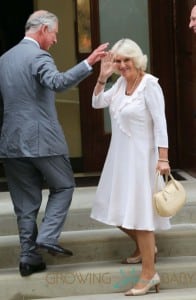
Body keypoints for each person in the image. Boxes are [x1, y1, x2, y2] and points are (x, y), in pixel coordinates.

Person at [0, 10, 108, 277]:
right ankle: (47, 236)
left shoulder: (4, 59)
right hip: (43, 141)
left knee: (25, 203)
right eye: (55, 34)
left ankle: (28, 257)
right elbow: (57, 83)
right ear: (43, 29)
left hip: (11, 142)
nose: (56, 40)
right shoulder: (39, 56)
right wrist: (90, 61)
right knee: (64, 185)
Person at [90, 38, 171, 296]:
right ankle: (145, 249)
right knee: (112, 208)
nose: (123, 65)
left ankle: (149, 273)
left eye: (127, 60)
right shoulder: (120, 84)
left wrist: (163, 158)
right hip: (120, 158)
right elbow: (96, 103)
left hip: (142, 160)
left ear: (137, 60)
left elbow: (161, 124)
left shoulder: (150, 85)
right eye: (118, 61)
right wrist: (103, 77)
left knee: (141, 217)